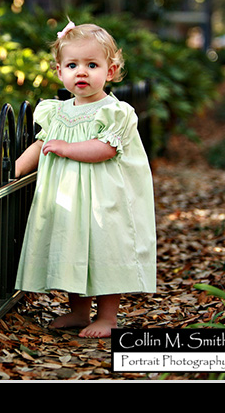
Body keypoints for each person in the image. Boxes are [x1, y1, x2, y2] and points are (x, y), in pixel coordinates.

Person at [14, 21, 156, 338]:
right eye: (72, 65)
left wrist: (66, 148)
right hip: (69, 199)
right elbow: (41, 144)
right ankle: (79, 311)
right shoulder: (57, 112)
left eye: (92, 65)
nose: (82, 72)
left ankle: (107, 317)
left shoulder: (115, 111)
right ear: (59, 71)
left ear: (110, 71)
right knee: (74, 249)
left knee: (104, 252)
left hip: (105, 199)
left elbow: (105, 149)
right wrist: (15, 169)